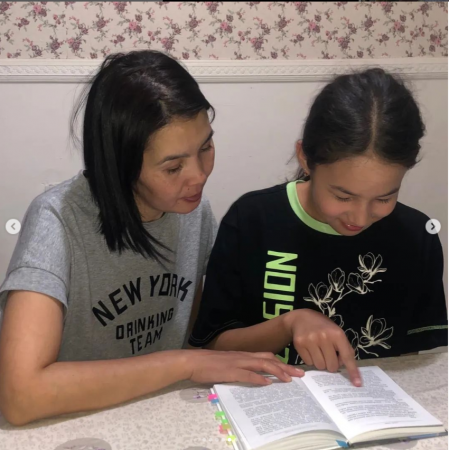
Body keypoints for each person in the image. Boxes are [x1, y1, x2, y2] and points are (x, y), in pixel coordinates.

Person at [0, 50, 302, 426]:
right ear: (120, 165)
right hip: (76, 425)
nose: (199, 175)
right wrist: (184, 364)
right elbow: (20, 396)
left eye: (206, 147)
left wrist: (286, 326)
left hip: (162, 416)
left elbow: (198, 335)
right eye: (173, 167)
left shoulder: (193, 213)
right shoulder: (57, 220)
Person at [189, 68, 448, 387]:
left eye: (384, 197)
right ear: (305, 158)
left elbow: (416, 360)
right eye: (343, 196)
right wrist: (288, 325)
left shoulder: (417, 237)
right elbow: (212, 346)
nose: (360, 217)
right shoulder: (254, 220)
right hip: (273, 400)